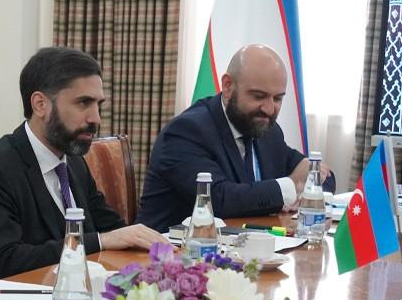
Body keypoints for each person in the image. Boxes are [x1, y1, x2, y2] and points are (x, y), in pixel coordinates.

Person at [0, 47, 166, 279]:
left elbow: (109, 226)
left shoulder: (73, 160)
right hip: (16, 296)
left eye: (98, 104)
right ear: (40, 104)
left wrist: (148, 242)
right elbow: (6, 260)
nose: (96, 118)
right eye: (83, 103)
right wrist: (101, 240)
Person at [136, 44, 335, 233]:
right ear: (228, 86)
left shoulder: (266, 129)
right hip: (170, 251)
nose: (269, 109)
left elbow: (320, 175)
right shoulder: (187, 131)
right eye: (258, 96)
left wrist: (306, 193)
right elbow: (218, 200)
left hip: (243, 248)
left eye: (277, 98)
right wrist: (292, 186)